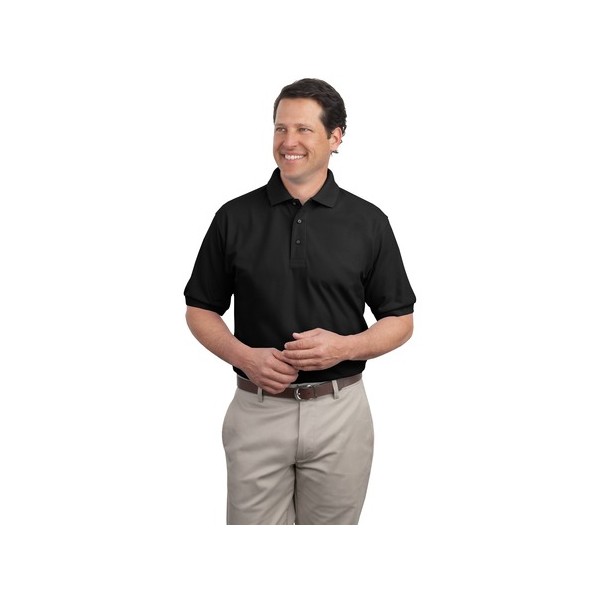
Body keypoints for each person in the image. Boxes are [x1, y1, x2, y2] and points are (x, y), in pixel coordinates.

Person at [184, 78, 416, 525]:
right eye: (280, 128)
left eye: (304, 129)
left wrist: (344, 347)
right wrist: (243, 356)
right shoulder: (233, 217)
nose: (288, 141)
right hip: (257, 410)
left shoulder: (369, 222)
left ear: (335, 137)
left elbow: (400, 320)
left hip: (339, 414)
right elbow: (200, 309)